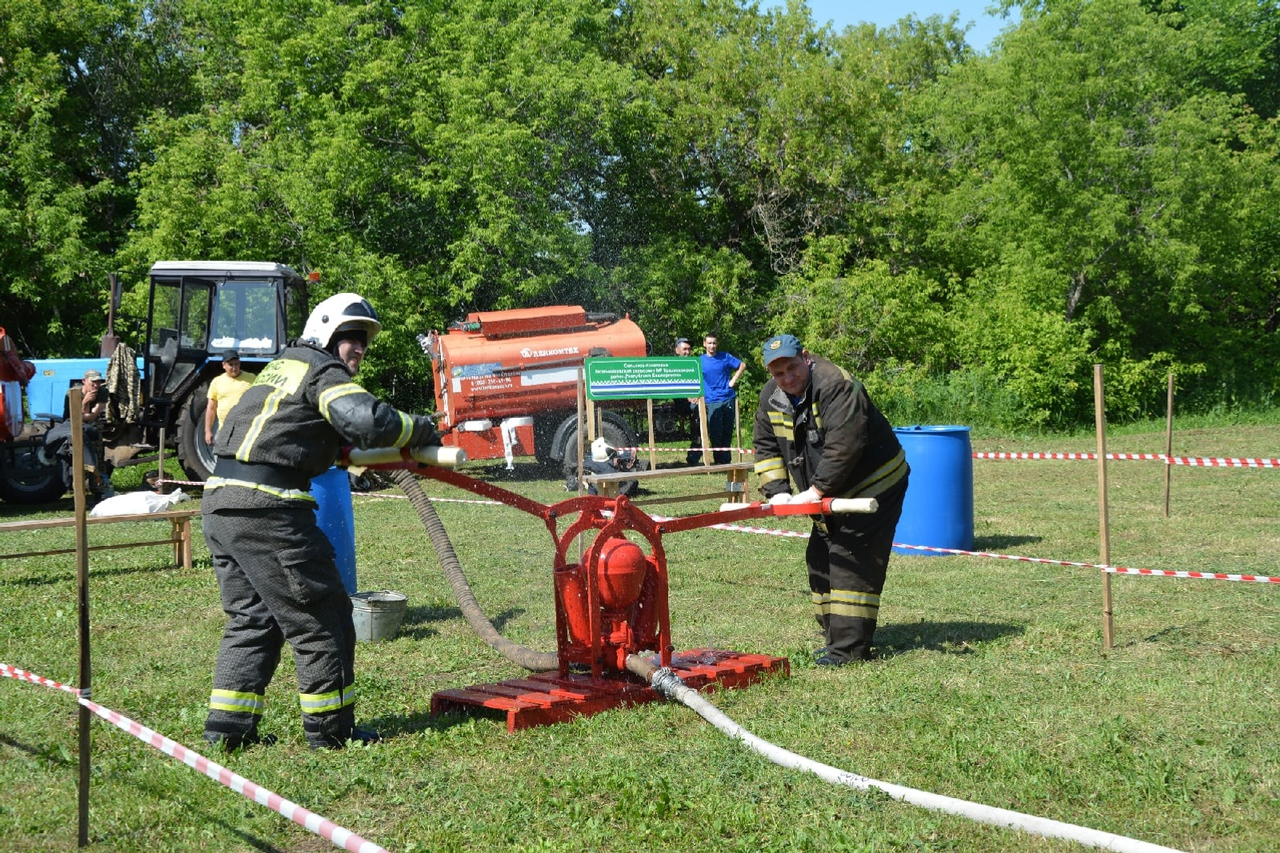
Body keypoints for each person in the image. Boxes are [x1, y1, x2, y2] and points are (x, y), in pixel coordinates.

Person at [202, 292, 442, 751]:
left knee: (252, 619)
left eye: (364, 342)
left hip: (221, 502)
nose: (359, 349)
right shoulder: (322, 369)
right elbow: (367, 420)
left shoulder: (281, 366)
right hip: (268, 510)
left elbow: (294, 431)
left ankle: (227, 732)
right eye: (352, 338)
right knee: (324, 617)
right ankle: (331, 732)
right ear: (327, 334)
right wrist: (422, 428)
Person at [753, 334, 909, 665]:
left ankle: (848, 651)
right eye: (779, 374)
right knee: (819, 557)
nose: (788, 379)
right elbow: (765, 448)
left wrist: (816, 491)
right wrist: (778, 491)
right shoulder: (771, 396)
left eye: (793, 368)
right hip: (828, 493)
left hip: (874, 484)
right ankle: (834, 637)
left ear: (806, 357)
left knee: (849, 558)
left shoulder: (837, 385)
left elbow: (845, 446)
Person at [694, 334, 745, 465]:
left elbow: (742, 365)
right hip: (711, 400)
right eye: (709, 343)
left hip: (728, 397)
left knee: (728, 431)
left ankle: (726, 460)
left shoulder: (725, 357)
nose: (712, 346)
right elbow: (694, 379)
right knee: (716, 432)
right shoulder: (699, 361)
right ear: (704, 344)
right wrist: (695, 394)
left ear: (717, 344)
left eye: (714, 343)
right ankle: (718, 460)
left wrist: (733, 380)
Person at [204, 350, 256, 446]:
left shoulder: (251, 378)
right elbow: (211, 408)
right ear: (224, 365)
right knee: (222, 459)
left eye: (236, 364)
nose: (234, 368)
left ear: (240, 363)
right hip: (224, 430)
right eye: (231, 365)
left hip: (245, 429)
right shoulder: (217, 382)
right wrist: (208, 430)